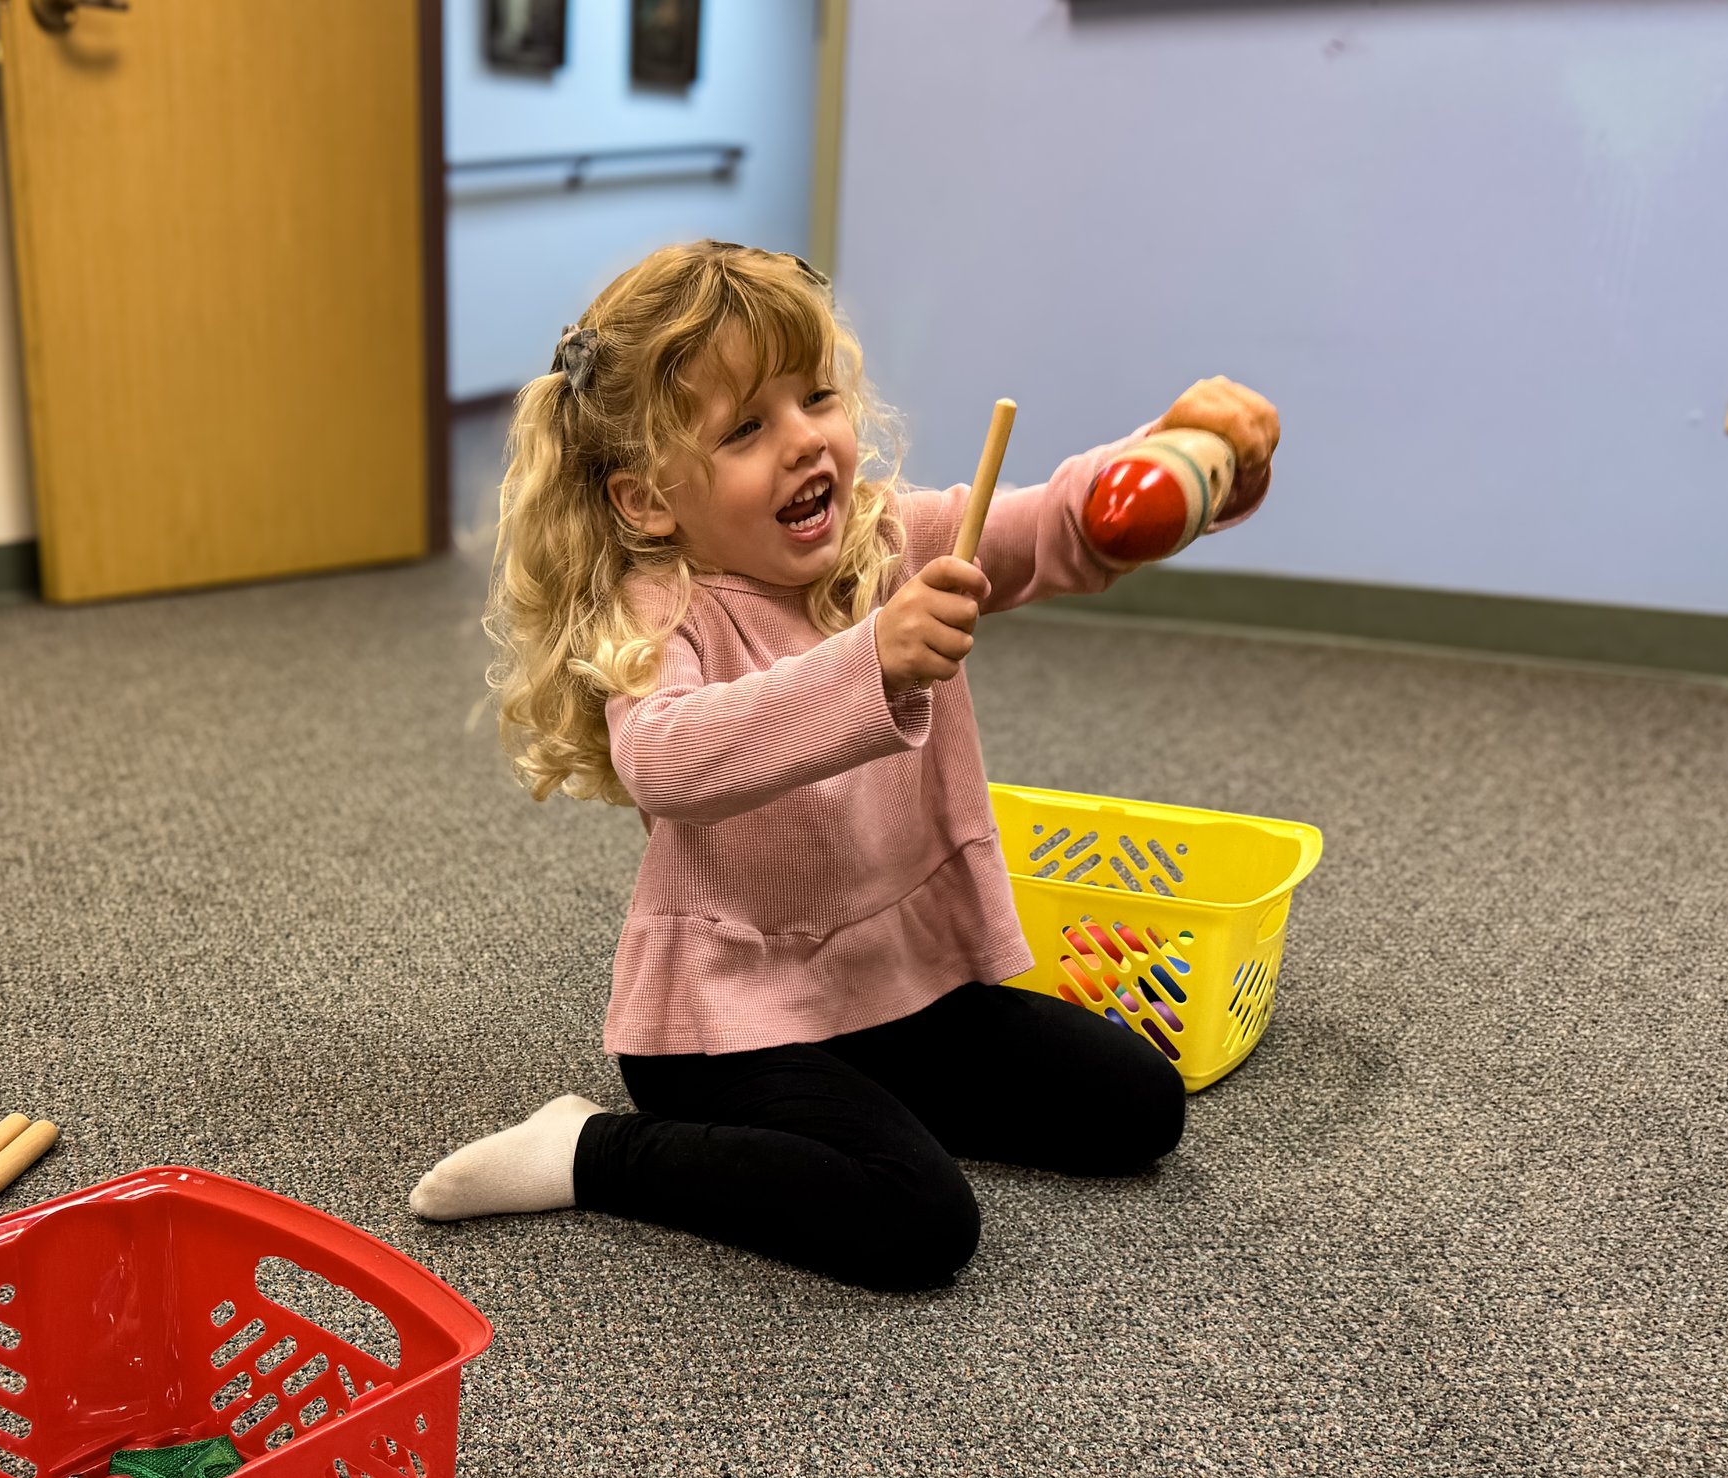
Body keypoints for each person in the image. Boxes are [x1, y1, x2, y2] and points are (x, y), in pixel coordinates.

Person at [409, 240, 1279, 1290]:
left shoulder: (890, 540)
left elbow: (1055, 524)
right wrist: (871, 658)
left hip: (898, 985)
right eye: (744, 428)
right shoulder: (663, 606)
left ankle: (860, 1101)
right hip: (726, 1021)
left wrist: (1184, 457)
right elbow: (667, 758)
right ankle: (587, 1151)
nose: (803, 442)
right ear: (646, 500)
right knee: (918, 1220)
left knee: (1139, 1107)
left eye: (814, 396)